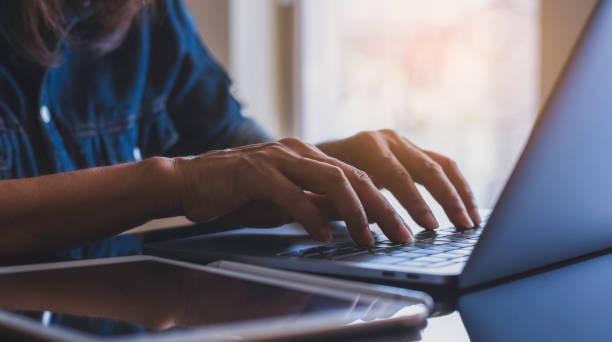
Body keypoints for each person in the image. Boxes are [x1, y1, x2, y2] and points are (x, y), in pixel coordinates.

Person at [0, 0, 480, 260]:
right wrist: (178, 183)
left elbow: (224, 144)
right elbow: (199, 176)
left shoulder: (149, 14)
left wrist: (318, 164)